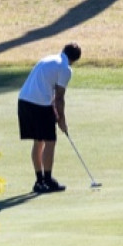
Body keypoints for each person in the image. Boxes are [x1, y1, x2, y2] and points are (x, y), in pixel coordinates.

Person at [18, 43, 81, 193]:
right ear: (74, 59)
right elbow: (59, 97)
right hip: (39, 105)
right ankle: (47, 180)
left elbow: (50, 92)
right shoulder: (66, 69)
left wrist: (56, 114)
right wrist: (62, 121)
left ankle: (40, 181)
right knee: (50, 142)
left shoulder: (49, 59)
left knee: (38, 141)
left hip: (24, 101)